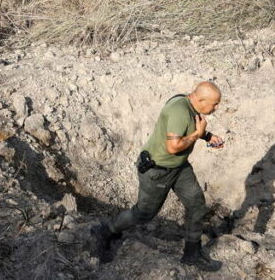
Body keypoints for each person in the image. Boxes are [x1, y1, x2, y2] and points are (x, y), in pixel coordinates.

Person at [91, 81, 225, 271]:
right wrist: (198, 134)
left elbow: (189, 128)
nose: (217, 108)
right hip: (158, 170)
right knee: (143, 214)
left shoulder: (192, 105)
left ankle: (192, 254)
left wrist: (207, 136)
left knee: (197, 204)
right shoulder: (179, 110)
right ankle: (105, 231)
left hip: (179, 167)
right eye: (215, 104)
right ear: (201, 99)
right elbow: (173, 146)